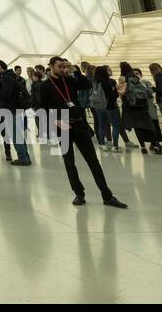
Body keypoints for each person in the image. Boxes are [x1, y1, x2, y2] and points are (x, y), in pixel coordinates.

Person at [40, 57, 127, 208]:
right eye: (59, 66)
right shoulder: (45, 86)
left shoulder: (70, 80)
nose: (62, 69)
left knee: (93, 161)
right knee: (70, 163)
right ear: (51, 66)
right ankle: (79, 194)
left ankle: (107, 195)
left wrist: (74, 70)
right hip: (63, 128)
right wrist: (55, 121)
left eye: (63, 66)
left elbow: (86, 84)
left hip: (79, 124)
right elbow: (42, 108)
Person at [118, 66, 162, 154]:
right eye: (134, 73)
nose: (136, 75)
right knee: (150, 127)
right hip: (144, 108)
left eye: (137, 73)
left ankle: (146, 146)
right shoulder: (144, 83)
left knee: (140, 128)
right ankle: (152, 146)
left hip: (135, 109)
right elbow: (150, 94)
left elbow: (122, 95)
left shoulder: (127, 83)